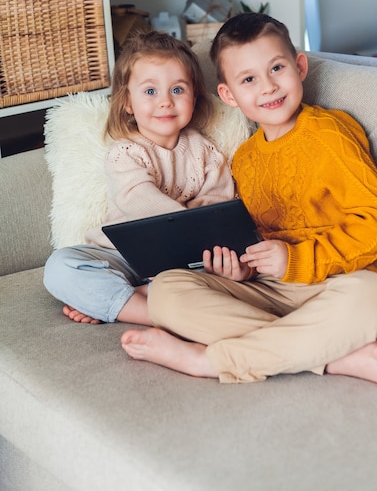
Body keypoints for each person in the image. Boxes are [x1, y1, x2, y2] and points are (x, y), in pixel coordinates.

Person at [120, 12, 377, 387]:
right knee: (168, 292)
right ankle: (331, 355)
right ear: (229, 95)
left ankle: (209, 361)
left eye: (277, 68)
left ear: (299, 67)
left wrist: (297, 258)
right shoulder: (244, 160)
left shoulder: (330, 135)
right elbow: (253, 239)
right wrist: (242, 269)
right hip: (268, 289)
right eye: (249, 79)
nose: (268, 87)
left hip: (336, 281)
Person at [44, 30, 235, 325]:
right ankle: (149, 309)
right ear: (127, 102)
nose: (165, 102)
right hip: (119, 256)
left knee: (223, 272)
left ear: (195, 98)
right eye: (150, 91)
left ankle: (118, 300)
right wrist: (186, 225)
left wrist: (199, 245)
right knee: (60, 267)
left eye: (177, 90)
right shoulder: (125, 153)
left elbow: (214, 209)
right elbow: (137, 196)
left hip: (180, 261)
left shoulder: (207, 153)